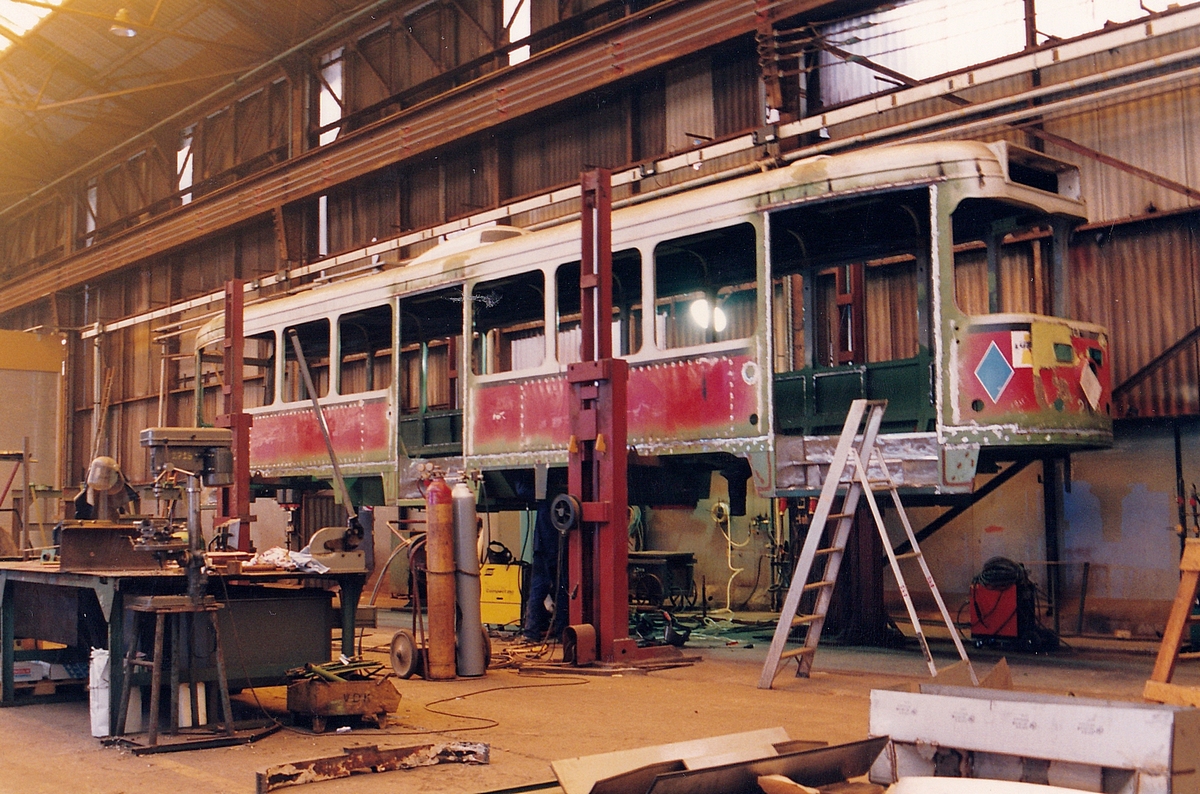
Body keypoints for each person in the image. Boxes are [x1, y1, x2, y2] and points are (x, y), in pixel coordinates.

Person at [522, 499, 568, 642]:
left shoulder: (544, 492)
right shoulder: (555, 495)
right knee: (562, 589)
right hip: (554, 545)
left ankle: (531, 632)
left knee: (540, 588)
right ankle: (561, 633)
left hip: (544, 545)